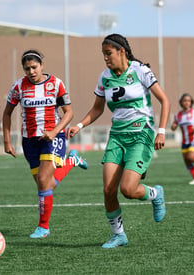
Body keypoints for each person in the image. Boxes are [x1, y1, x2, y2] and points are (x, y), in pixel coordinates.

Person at [66, 33, 170, 249]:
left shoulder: (140, 70)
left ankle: (155, 193)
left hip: (141, 134)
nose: (105, 58)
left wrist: (161, 131)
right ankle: (118, 235)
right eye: (103, 54)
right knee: (108, 190)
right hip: (117, 137)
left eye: (108, 53)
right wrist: (79, 125)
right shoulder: (104, 77)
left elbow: (165, 100)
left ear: (121, 51)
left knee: (128, 190)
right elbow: (97, 109)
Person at [2, 49, 87, 239]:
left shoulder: (56, 84)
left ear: (42, 65)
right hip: (29, 140)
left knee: (42, 182)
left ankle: (43, 227)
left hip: (53, 137)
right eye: (27, 68)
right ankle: (71, 162)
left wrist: (55, 132)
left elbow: (69, 112)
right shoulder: (18, 87)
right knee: (46, 184)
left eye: (34, 67)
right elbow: (7, 113)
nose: (31, 71)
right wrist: (7, 140)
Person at [171, 93, 194, 185]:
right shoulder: (178, 115)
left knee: (191, 157)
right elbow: (174, 125)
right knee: (186, 160)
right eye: (185, 101)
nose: (187, 102)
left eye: (189, 101)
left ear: (191, 102)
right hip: (185, 141)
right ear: (181, 102)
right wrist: (174, 126)